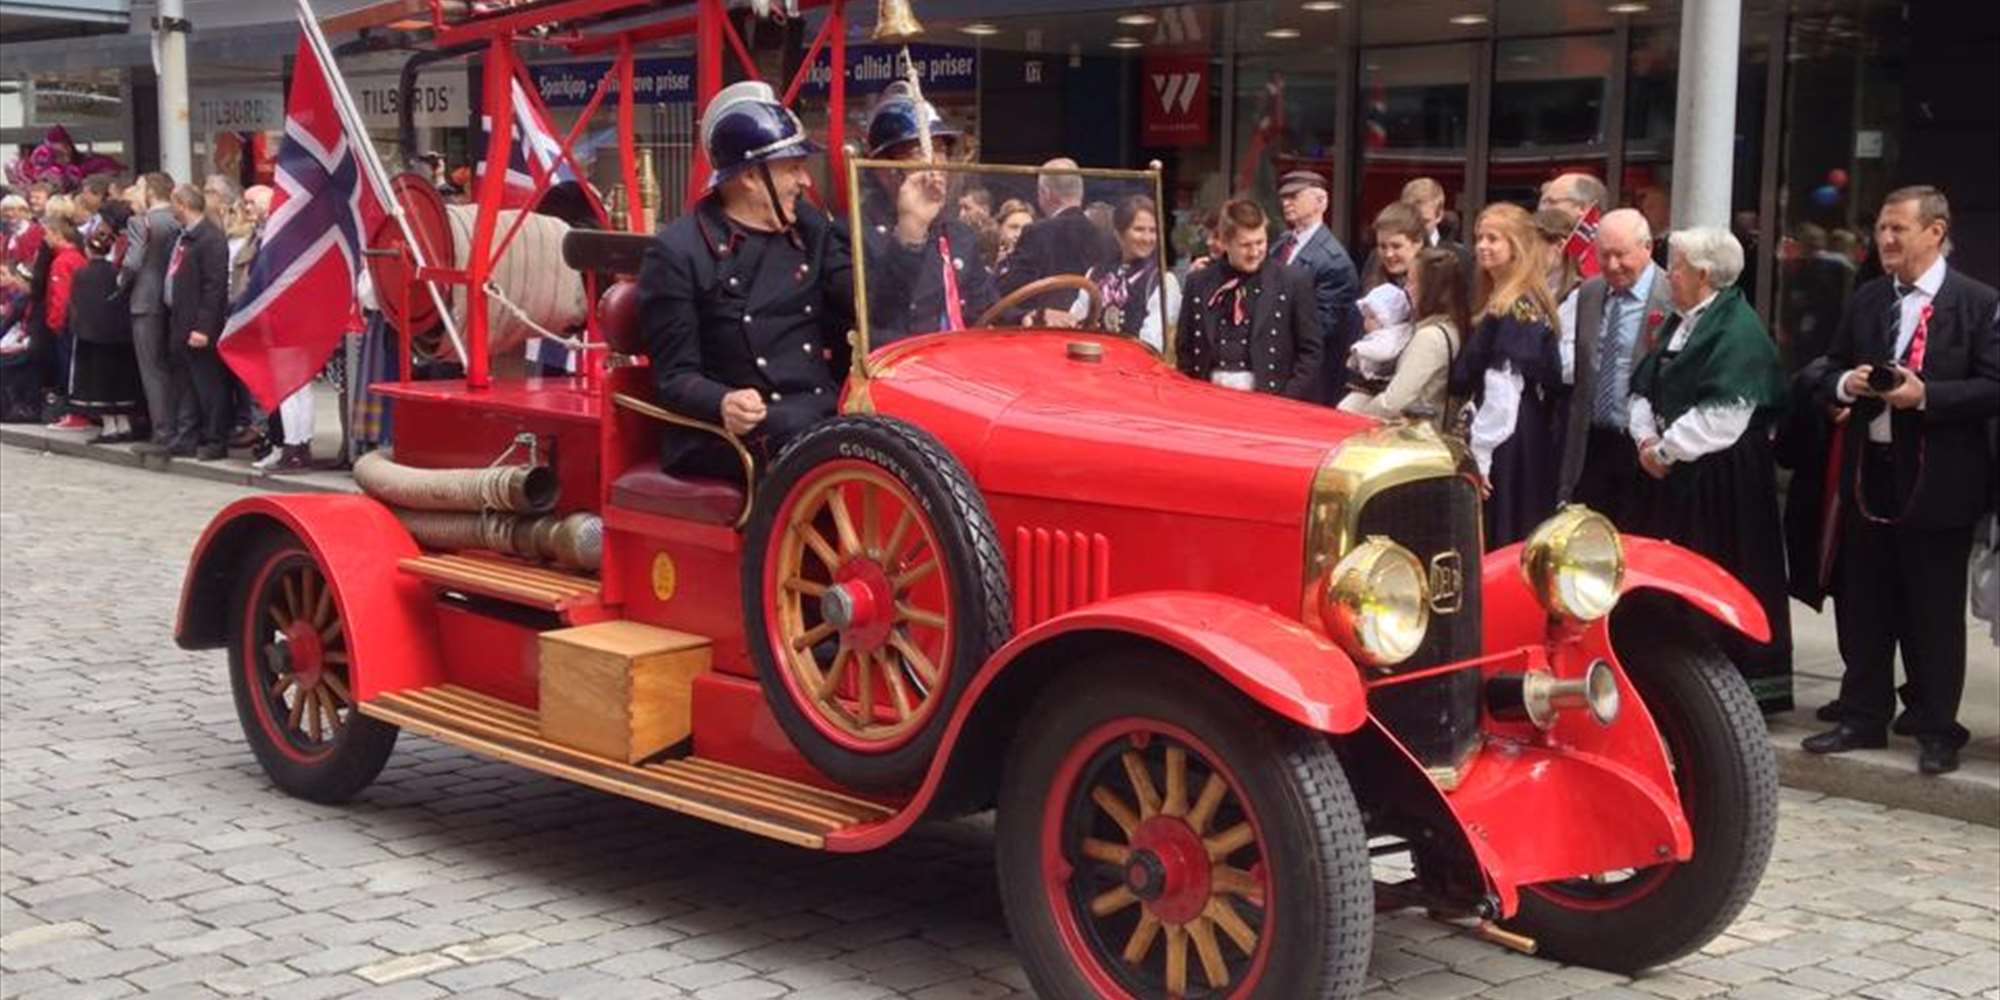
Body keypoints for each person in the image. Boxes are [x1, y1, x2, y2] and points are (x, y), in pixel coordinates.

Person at [1803, 186, 2000, 775]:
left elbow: (1994, 386)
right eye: (1882, 229)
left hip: (1939, 480)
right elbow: (1827, 367)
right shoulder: (1868, 300)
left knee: (1933, 609)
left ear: (1935, 232)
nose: (1886, 240)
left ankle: (1937, 725)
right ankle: (1863, 713)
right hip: (1871, 473)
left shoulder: (1977, 303)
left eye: (1898, 229)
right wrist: (1847, 386)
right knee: (1865, 599)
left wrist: (1927, 396)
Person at [639, 81, 853, 481]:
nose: (805, 181)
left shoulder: (811, 229)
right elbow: (673, 378)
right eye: (793, 167)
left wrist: (911, 235)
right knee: (815, 447)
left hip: (817, 412)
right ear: (752, 176)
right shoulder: (679, 251)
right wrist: (724, 401)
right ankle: (772, 546)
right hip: (726, 434)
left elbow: (857, 305)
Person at [1626, 226, 1792, 713]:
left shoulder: (1737, 330)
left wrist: (1666, 450)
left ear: (1701, 273)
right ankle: (1672, 679)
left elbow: (1725, 415)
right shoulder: (1682, 323)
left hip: (1721, 479)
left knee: (1723, 571)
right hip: (1674, 469)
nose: (1669, 274)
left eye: (1675, 266)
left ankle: (1731, 688)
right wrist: (1646, 439)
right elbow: (1644, 387)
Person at [1453, 203, 1566, 548]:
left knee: (1503, 526)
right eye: (1479, 238)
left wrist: (1483, 454)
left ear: (1515, 246)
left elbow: (1505, 386)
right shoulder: (1508, 298)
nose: (1483, 246)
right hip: (1515, 429)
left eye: (1493, 239)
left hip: (1509, 435)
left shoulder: (1517, 306)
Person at [856, 84, 996, 345]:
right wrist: (910, 233)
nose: (936, 164)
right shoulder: (854, 232)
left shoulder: (958, 234)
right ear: (883, 167)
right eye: (921, 152)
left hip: (963, 369)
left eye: (941, 150)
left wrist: (1030, 316)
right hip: (906, 372)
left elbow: (987, 309)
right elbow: (876, 320)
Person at [1559, 208, 1672, 524]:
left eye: (1621, 255)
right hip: (1593, 444)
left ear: (1647, 247)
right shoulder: (1590, 293)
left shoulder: (1672, 296)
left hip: (1642, 447)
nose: (1611, 265)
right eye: (1604, 255)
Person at [1176, 198, 1322, 400]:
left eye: (1260, 242)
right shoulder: (1198, 282)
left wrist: (1287, 401)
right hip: (1207, 398)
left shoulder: (1292, 282)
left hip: (1269, 401)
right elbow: (1185, 349)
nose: (1255, 252)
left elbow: (1310, 352)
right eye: (1245, 245)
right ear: (1225, 243)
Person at [1339, 246, 1469, 426]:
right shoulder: (1448, 326)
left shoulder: (1429, 338)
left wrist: (1353, 417)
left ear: (1430, 289)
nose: (1406, 289)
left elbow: (1393, 402)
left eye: (1412, 282)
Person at [994, 158, 1118, 325]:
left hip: (1045, 332)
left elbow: (1008, 294)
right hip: (1091, 329)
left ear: (1045, 193)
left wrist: (998, 270)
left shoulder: (1037, 233)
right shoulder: (1106, 237)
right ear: (1079, 192)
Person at [1272, 169, 1360, 402]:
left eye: (1295, 196)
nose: (1286, 202)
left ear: (1321, 201)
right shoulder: (1282, 244)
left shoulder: (1334, 261)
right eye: (1284, 197)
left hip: (1305, 378)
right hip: (1275, 365)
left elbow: (1320, 330)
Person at [161, 184, 231, 460]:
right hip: (179, 319)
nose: (171, 209)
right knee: (185, 383)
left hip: (199, 325)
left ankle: (215, 439)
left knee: (208, 385)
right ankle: (186, 436)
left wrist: (203, 327)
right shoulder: (183, 238)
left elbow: (214, 288)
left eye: (173, 203)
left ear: (183, 205)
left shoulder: (210, 239)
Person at [66, 227, 142, 442]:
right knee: (120, 381)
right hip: (120, 337)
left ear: (88, 250)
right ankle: (124, 423)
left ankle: (110, 427)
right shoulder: (117, 274)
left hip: (92, 337)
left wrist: (77, 328)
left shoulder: (82, 274)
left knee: (100, 383)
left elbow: (77, 306)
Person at [121, 172, 180, 446]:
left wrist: (121, 282)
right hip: (175, 300)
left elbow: (132, 263)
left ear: (151, 192)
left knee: (152, 368)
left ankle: (163, 429)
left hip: (146, 300)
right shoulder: (177, 219)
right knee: (173, 367)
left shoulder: (140, 222)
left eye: (139, 187)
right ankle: (180, 424)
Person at [992, 199, 1034, 267]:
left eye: (1027, 228)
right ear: (1000, 228)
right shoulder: (984, 259)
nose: (1019, 234)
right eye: (1014, 227)